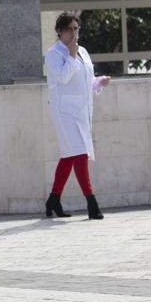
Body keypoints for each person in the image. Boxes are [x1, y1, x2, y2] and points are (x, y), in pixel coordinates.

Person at [43, 13, 111, 220]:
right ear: (60, 32)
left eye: (76, 28)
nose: (73, 33)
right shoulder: (54, 53)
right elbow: (63, 77)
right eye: (69, 29)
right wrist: (71, 55)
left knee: (69, 155)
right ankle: (92, 203)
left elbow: (84, 81)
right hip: (64, 113)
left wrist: (99, 82)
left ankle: (53, 199)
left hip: (81, 112)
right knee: (80, 153)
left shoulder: (83, 52)